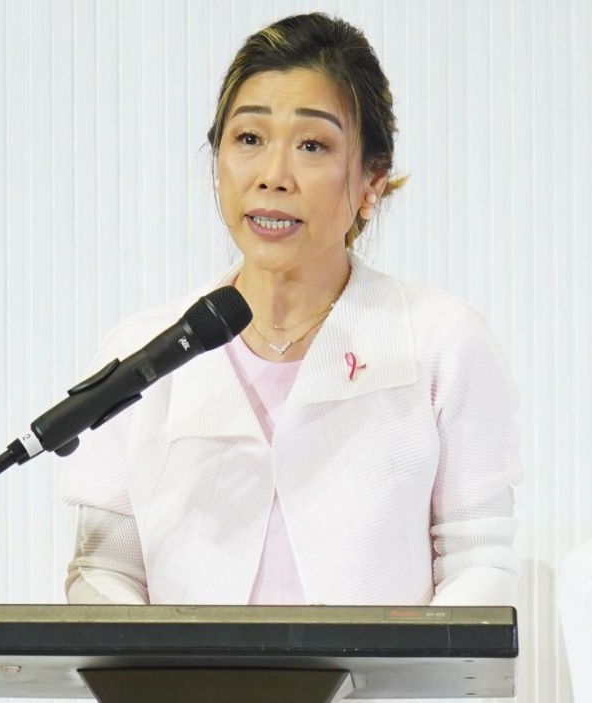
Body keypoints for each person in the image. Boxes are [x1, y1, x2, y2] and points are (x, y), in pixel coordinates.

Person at [61, 12, 522, 612]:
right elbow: (103, 569)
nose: (273, 177)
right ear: (218, 162)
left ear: (371, 180)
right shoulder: (143, 353)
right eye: (249, 139)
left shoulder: (441, 342)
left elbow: (478, 563)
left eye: (312, 145)